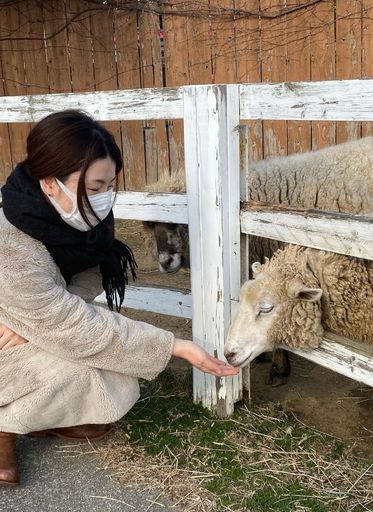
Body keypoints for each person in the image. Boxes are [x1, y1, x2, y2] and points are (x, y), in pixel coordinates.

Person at [0, 110, 238, 486]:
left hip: (19, 320)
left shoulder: (75, 218)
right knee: (92, 365)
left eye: (110, 185)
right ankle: (4, 426)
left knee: (107, 365)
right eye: (94, 187)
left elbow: (84, 278)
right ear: (49, 182)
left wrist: (32, 319)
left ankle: (45, 417)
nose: (104, 198)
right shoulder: (12, 243)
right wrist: (174, 346)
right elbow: (71, 326)